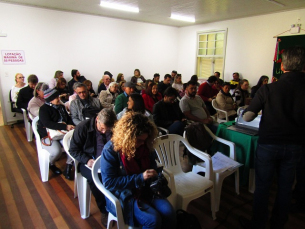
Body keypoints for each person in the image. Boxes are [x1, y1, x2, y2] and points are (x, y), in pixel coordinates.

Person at [239, 47, 305, 229]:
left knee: (263, 186)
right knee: (285, 188)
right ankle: (278, 224)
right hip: (295, 146)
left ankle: (258, 224)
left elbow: (247, 117)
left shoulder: (268, 89)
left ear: (282, 66)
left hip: (269, 145)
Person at [101, 112, 176, 228]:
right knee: (153, 220)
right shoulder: (110, 151)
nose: (143, 144)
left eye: (145, 140)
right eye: (139, 140)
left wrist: (156, 176)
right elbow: (109, 183)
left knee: (169, 212)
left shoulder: (145, 146)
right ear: (128, 137)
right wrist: (140, 177)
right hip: (123, 195)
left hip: (145, 188)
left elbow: (152, 167)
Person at [69, 108, 117, 226]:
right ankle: (104, 209)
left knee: (120, 173)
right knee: (95, 179)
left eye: (108, 129)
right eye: (102, 128)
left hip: (108, 159)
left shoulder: (113, 126)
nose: (105, 132)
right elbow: (73, 150)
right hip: (89, 161)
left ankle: (117, 205)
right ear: (97, 120)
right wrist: (87, 160)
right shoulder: (82, 127)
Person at [38, 88, 75, 180]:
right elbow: (47, 124)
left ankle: (68, 167)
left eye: (58, 97)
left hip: (62, 133)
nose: (59, 99)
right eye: (56, 98)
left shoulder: (61, 107)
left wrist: (71, 125)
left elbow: (67, 118)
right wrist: (65, 127)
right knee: (56, 151)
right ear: (50, 100)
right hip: (49, 135)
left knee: (72, 147)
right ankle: (51, 164)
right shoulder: (43, 109)